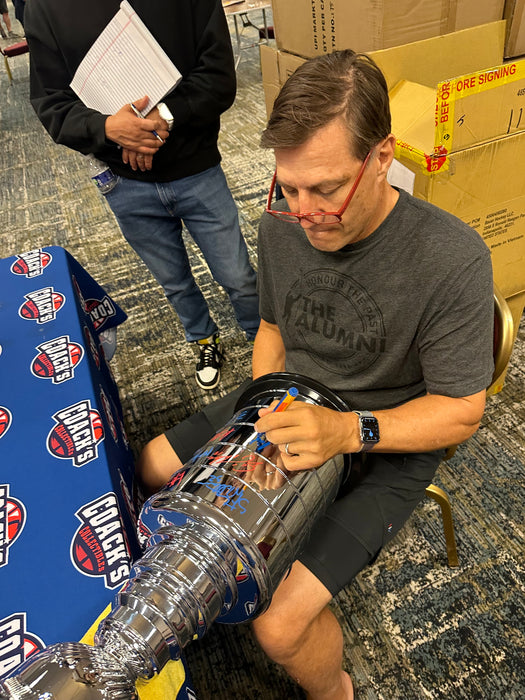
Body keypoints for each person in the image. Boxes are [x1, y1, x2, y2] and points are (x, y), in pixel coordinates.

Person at [137, 50, 494, 698]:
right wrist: (256, 419)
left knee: (279, 627)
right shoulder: (283, 219)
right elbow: (272, 329)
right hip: (289, 401)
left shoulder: (451, 257)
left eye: (325, 189)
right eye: (289, 187)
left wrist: (344, 432)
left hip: (383, 438)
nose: (303, 212)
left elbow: (461, 410)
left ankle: (337, 691)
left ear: (382, 157)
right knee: (155, 468)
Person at [24, 0, 260, 390]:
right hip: (124, 181)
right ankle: (202, 338)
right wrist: (107, 128)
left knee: (237, 275)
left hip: (196, 166)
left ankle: (263, 339)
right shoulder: (45, 7)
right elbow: (51, 103)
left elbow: (218, 77)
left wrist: (163, 117)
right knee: (174, 281)